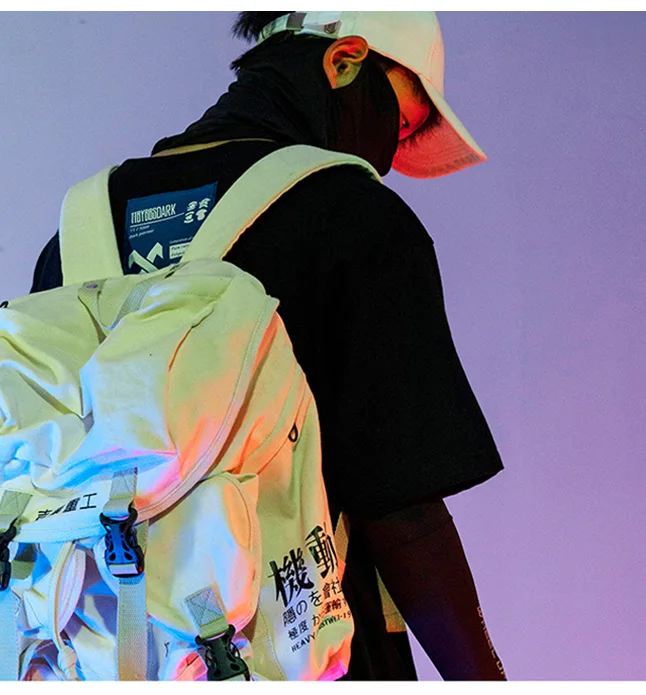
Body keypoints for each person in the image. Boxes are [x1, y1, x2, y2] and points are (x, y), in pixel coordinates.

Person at [30, 11, 506, 681]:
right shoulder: (352, 215)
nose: (388, 159)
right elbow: (405, 517)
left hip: (104, 655)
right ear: (343, 62)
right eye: (398, 124)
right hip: (304, 656)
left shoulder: (76, 234)